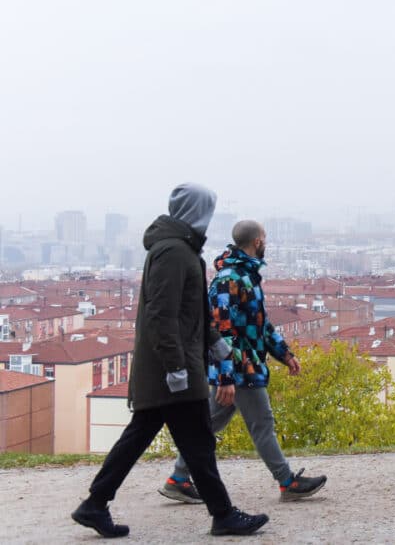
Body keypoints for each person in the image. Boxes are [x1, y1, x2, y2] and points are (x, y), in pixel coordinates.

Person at [72, 184, 269, 538]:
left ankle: (94, 504)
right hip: (173, 370)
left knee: (144, 438)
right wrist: (176, 367)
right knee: (198, 443)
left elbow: (193, 311)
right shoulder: (174, 253)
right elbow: (161, 316)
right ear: (197, 212)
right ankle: (223, 515)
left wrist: (217, 345)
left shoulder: (182, 250)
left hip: (171, 367)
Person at [159, 220, 326, 505]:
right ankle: (288, 482)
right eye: (265, 238)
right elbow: (220, 331)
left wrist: (284, 354)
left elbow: (260, 324)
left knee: (206, 426)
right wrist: (225, 375)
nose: (266, 242)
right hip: (240, 367)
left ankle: (178, 478)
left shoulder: (246, 276)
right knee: (262, 423)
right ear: (258, 241)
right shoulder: (230, 279)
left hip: (241, 365)